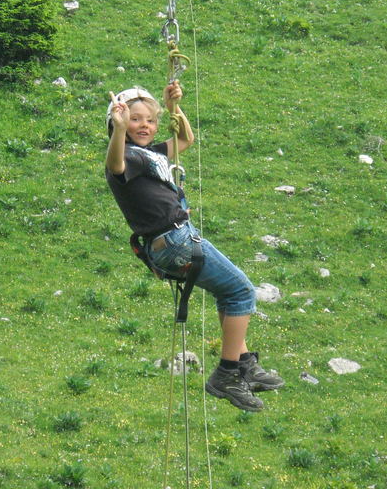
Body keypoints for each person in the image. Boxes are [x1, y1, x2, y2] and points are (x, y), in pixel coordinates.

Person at [105, 81, 284, 412]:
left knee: (228, 292)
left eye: (150, 120)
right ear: (119, 122)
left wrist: (174, 108)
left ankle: (244, 361)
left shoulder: (151, 154)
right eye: (135, 119)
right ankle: (227, 373)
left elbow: (186, 139)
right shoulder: (127, 156)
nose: (144, 125)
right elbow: (115, 166)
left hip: (174, 239)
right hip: (175, 239)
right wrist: (118, 130)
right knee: (241, 291)